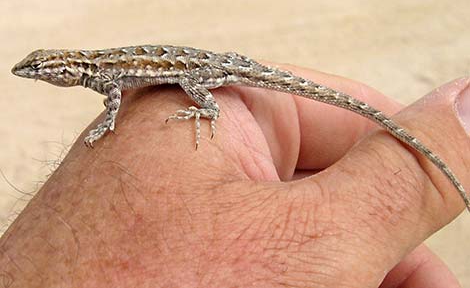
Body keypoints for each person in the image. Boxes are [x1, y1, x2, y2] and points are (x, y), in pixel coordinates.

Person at [1, 65, 468, 287]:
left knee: (213, 95)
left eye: (43, 71)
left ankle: (207, 108)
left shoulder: (105, 76)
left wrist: (107, 127)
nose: (38, 75)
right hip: (202, 64)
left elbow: (114, 103)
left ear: (67, 70)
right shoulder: (103, 72)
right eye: (39, 71)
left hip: (204, 70)